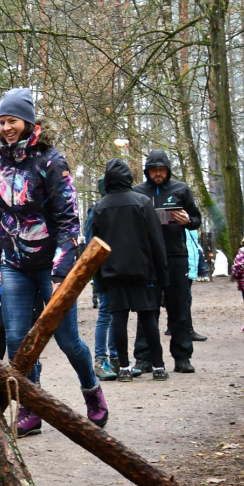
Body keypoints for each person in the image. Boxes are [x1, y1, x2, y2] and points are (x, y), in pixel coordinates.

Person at [0, 88, 104, 436]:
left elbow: (69, 220)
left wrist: (61, 271)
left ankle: (91, 391)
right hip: (14, 263)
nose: (7, 127)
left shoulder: (51, 161)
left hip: (52, 263)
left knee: (68, 340)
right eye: (2, 121)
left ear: (28, 121)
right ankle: (32, 407)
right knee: (18, 340)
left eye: (13, 120)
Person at [89, 158, 169, 383]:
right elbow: (156, 242)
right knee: (148, 318)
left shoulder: (100, 207)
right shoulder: (142, 202)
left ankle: (123, 366)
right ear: (128, 177)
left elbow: (95, 247)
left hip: (113, 274)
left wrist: (99, 281)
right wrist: (163, 277)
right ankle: (159, 365)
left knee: (119, 321)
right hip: (142, 272)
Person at [131, 150, 203, 374]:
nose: (158, 174)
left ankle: (182, 357)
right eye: (154, 170)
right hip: (148, 259)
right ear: (147, 171)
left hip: (176, 257)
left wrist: (187, 220)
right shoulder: (137, 192)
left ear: (168, 171)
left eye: (162, 170)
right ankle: (143, 358)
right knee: (147, 310)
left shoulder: (181, 189)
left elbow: (196, 219)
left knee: (179, 308)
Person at [84, 175, 120, 381]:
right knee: (106, 314)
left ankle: (115, 358)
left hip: (118, 269)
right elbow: (92, 243)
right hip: (104, 271)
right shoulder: (96, 210)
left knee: (116, 314)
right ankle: (100, 359)